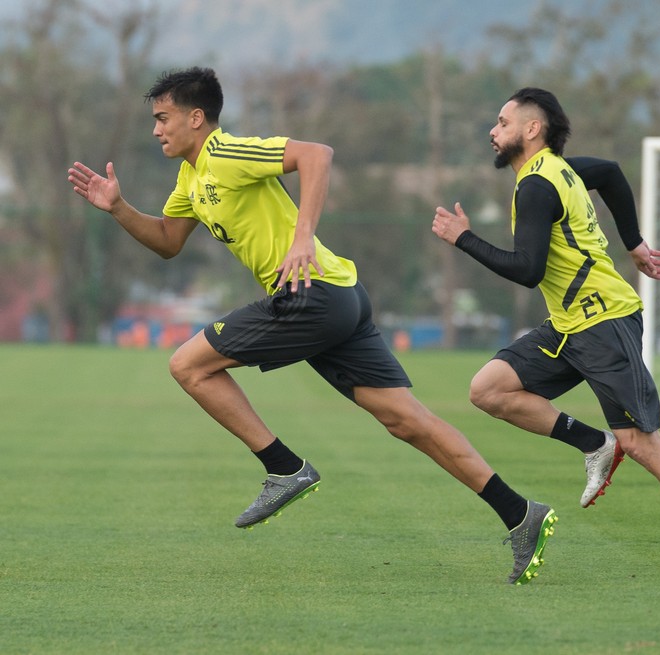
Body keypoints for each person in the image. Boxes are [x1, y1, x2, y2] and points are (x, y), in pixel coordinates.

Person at [67, 67, 557, 585]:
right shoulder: (191, 178)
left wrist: (303, 237)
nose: (156, 130)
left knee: (188, 364)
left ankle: (283, 467)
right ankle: (520, 514)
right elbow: (167, 240)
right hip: (337, 296)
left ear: (196, 118)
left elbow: (316, 154)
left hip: (313, 295)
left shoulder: (227, 153)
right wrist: (118, 207)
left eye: (163, 118)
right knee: (407, 421)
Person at [431, 87, 660, 576]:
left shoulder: (537, 184)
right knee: (488, 389)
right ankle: (594, 444)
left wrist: (464, 238)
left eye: (501, 122)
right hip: (568, 325)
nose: (492, 133)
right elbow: (611, 174)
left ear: (531, 129)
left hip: (602, 322)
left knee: (642, 441)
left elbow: (528, 270)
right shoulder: (559, 170)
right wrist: (634, 242)